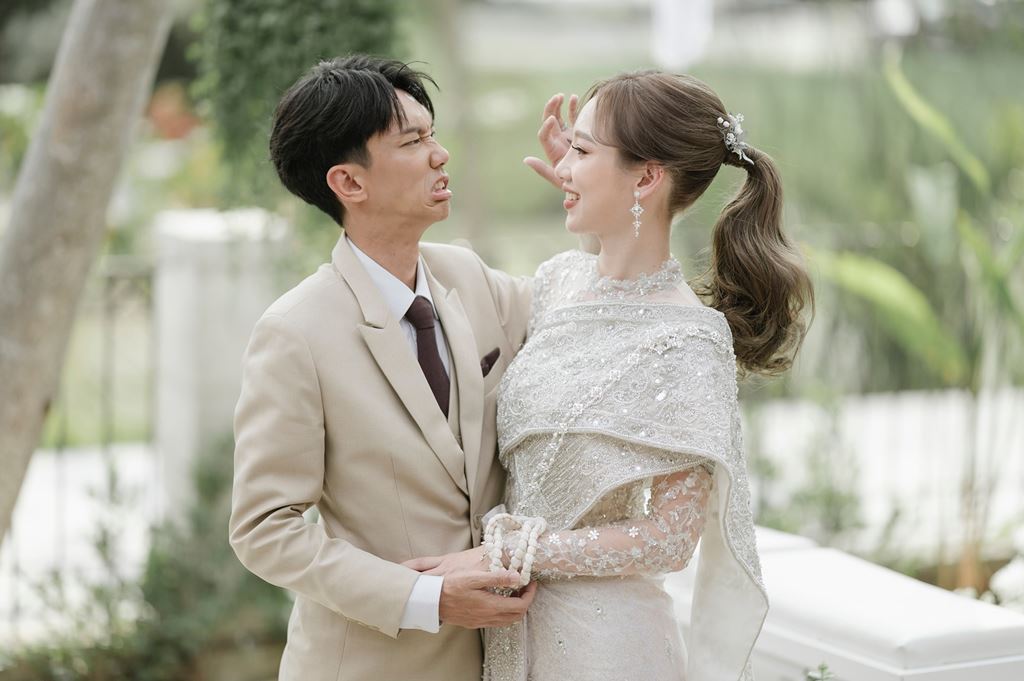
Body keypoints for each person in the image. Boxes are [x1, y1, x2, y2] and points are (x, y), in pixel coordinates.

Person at [406, 71, 814, 681]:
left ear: (647, 178)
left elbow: (670, 538)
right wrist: (591, 187)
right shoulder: (559, 282)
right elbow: (588, 336)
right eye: (569, 149)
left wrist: (513, 550)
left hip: (608, 647)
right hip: (512, 632)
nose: (563, 166)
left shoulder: (689, 339)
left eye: (582, 149)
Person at [228, 55, 539, 681]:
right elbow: (264, 529)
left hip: (506, 659)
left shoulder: (469, 276)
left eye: (433, 134)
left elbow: (586, 318)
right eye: (413, 141)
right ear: (349, 182)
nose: (440, 154)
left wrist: (593, 196)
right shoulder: (295, 333)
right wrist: (424, 597)